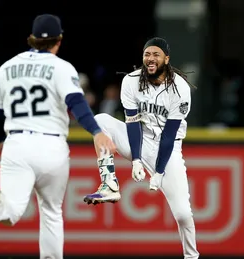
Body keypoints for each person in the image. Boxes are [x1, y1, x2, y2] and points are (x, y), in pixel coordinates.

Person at [0, 14, 116, 259]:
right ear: (58, 40)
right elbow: (76, 103)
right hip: (51, 145)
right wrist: (96, 131)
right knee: (51, 212)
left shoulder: (9, 67)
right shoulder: (60, 67)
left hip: (16, 144)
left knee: (13, 211)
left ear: (31, 39)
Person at [83, 37, 200, 259]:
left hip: (168, 149)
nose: (150, 58)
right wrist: (136, 159)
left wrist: (159, 172)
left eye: (156, 54)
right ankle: (109, 183)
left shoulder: (180, 88)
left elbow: (169, 135)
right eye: (147, 54)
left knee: (184, 214)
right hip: (138, 138)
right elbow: (132, 123)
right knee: (99, 120)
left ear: (166, 59)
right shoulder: (131, 81)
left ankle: (191, 257)